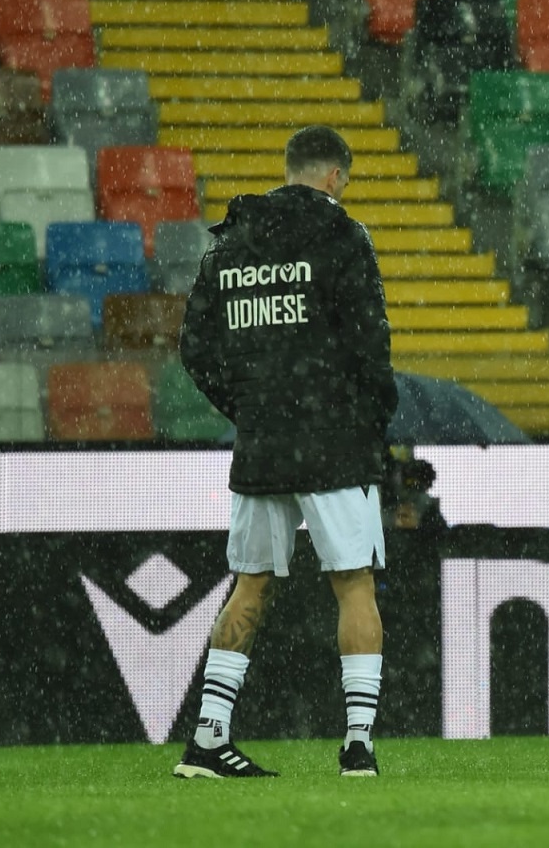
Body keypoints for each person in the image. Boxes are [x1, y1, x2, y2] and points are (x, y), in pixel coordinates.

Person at [172, 125, 399, 779]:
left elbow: (196, 349)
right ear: (335, 177)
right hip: (332, 440)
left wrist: (248, 408)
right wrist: (370, 418)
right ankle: (357, 743)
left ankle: (208, 739)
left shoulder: (232, 240)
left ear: (291, 168)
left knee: (250, 586)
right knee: (353, 584)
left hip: (264, 440)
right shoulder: (341, 236)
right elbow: (369, 342)